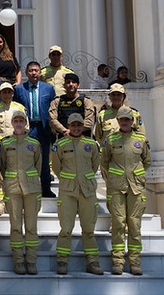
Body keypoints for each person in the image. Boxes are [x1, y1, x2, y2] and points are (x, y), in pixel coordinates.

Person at [101, 106, 151, 276]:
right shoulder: (110, 140)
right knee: (118, 224)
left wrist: (137, 175)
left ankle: (135, 262)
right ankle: (118, 261)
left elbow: (147, 161)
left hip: (136, 188)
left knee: (135, 225)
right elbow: (104, 162)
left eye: (127, 119)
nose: (124, 122)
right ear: (118, 121)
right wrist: (112, 180)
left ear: (132, 121)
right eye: (121, 119)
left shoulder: (141, 140)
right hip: (116, 187)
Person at [52, 113, 103, 276]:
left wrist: (84, 178)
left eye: (79, 125)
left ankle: (92, 262)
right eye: (73, 125)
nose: (76, 128)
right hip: (68, 191)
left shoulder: (91, 144)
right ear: (68, 126)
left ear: (83, 126)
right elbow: (56, 167)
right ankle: (62, 261)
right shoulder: (60, 144)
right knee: (66, 228)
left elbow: (95, 165)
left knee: (89, 229)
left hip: (87, 191)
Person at [0, 110, 42, 275]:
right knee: (16, 226)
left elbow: (38, 166)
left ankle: (31, 261)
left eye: (21, 121)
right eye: (16, 121)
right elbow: (3, 166)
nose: (18, 124)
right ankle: (18, 261)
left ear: (26, 124)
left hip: (31, 189)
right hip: (13, 189)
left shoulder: (34, 144)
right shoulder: (5, 144)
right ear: (12, 123)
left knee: (31, 227)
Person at [14, 61, 57, 197]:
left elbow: (53, 108)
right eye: (31, 70)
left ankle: (45, 188)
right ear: (26, 73)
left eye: (36, 70)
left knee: (44, 159)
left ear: (40, 72)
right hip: (28, 127)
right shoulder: (20, 89)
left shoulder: (48, 89)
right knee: (26, 158)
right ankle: (27, 188)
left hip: (43, 128)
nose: (34, 73)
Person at [94, 83, 146, 148]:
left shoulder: (134, 113)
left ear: (124, 97)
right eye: (113, 95)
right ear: (109, 97)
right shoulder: (102, 115)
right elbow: (98, 136)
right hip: (109, 153)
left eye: (119, 95)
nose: (116, 97)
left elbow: (141, 135)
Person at [48, 73, 96, 139]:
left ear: (78, 85)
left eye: (73, 82)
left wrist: (74, 131)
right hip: (63, 138)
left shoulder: (86, 101)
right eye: (68, 82)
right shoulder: (57, 101)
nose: (71, 84)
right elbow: (52, 120)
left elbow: (89, 121)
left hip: (82, 139)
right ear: (64, 85)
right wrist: (65, 131)